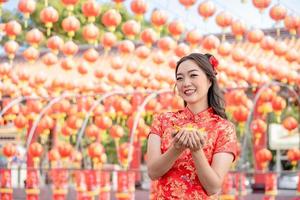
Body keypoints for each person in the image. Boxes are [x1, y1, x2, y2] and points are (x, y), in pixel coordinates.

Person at [146, 53, 238, 200]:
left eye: (193, 75)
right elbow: (152, 172)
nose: (185, 83)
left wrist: (196, 150)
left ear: (209, 80)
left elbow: (213, 187)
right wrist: (176, 148)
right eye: (180, 78)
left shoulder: (224, 129)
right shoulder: (162, 121)